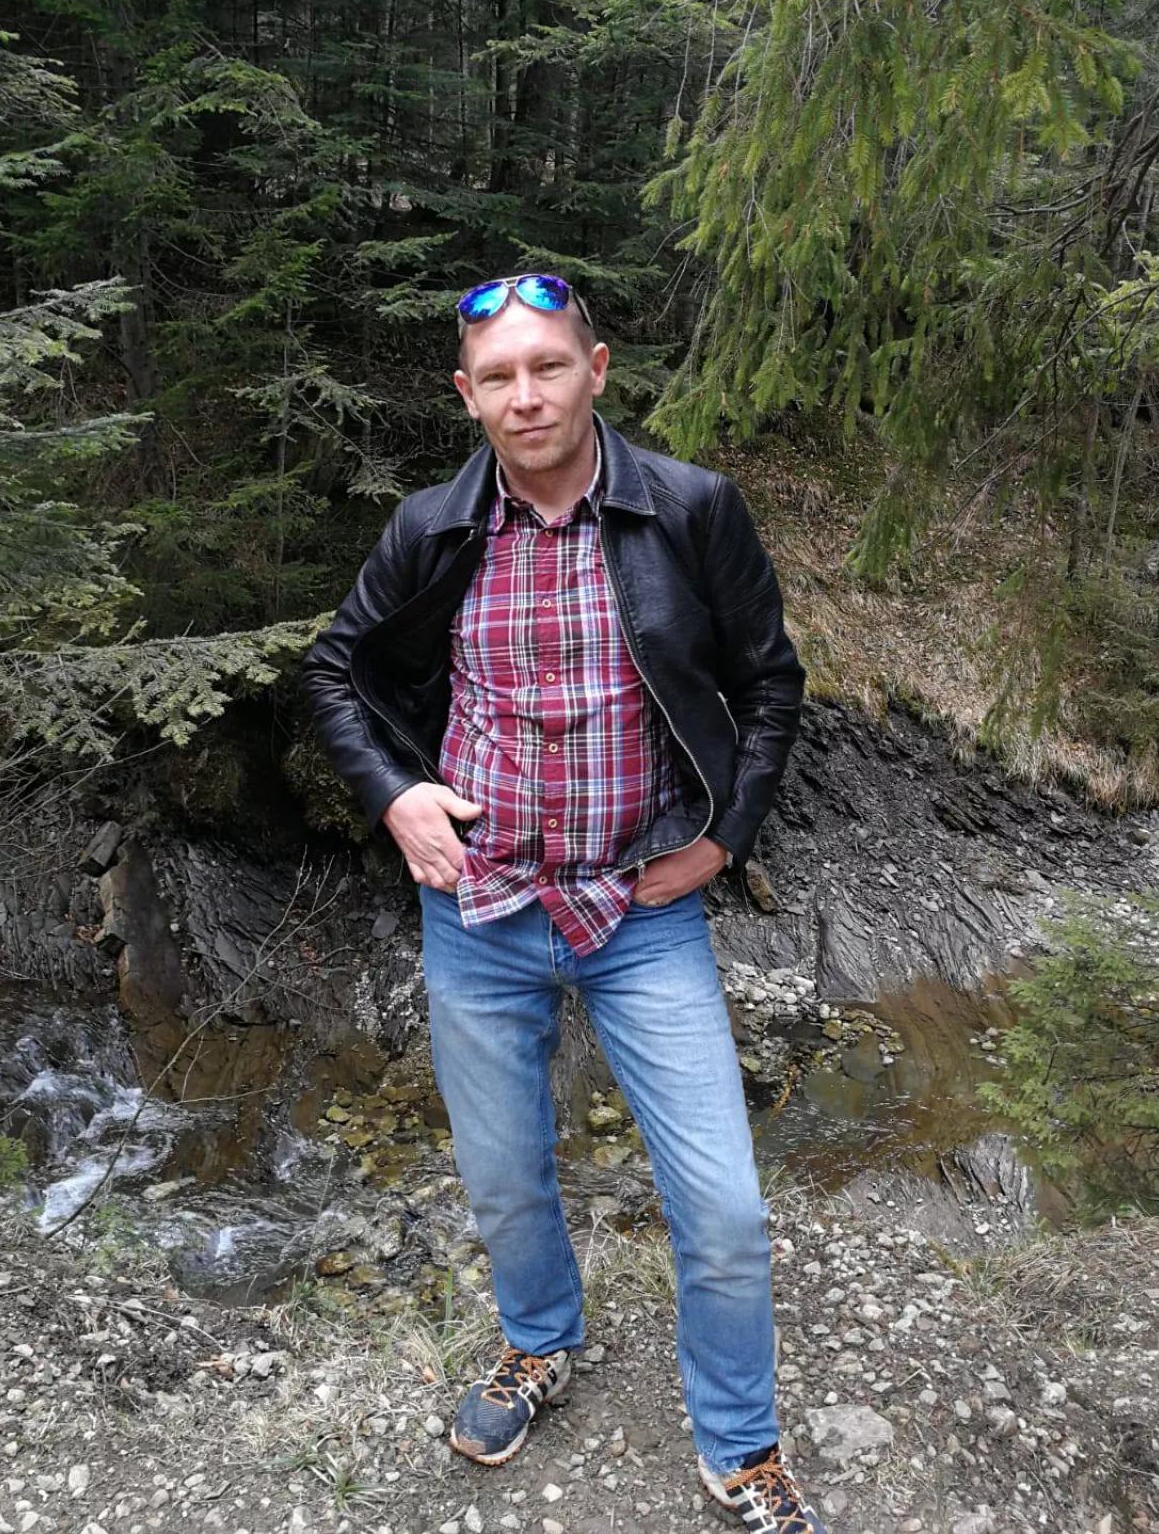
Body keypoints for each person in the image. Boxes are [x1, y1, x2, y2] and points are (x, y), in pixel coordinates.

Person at [301, 273, 822, 1534]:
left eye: (546, 366)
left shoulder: (689, 508)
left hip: (640, 911)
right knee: (503, 1178)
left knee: (722, 1209)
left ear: (595, 368)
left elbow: (768, 683)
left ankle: (741, 1447)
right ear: (465, 395)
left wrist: (723, 840)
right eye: (497, 376)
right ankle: (538, 1343)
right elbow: (334, 670)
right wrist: (396, 797)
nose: (524, 396)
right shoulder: (431, 528)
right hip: (478, 910)